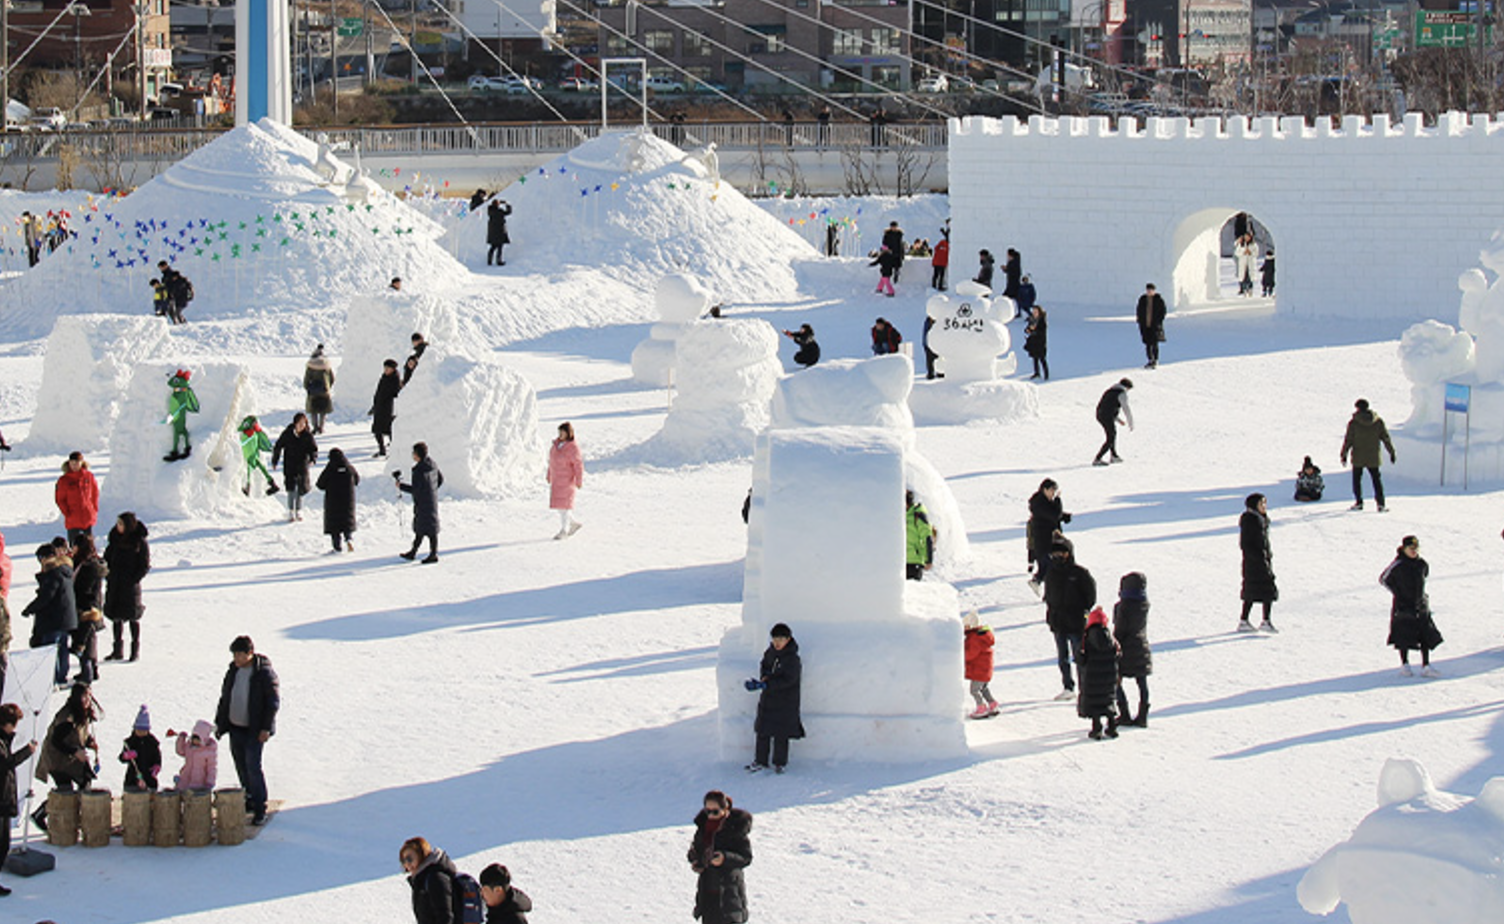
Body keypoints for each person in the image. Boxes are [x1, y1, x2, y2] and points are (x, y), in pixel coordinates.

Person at [214, 635, 279, 824]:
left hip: (255, 730)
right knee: (241, 766)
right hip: (235, 727)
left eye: (240, 655)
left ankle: (260, 807)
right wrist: (220, 723)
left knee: (253, 767)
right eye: (235, 655)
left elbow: (272, 703)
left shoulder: (263, 673)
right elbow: (225, 698)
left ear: (250, 653)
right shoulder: (233, 671)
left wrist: (266, 727)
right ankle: (248, 799)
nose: (237, 659)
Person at [1381, 535, 1443, 677]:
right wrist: (1398, 593)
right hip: (1403, 606)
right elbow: (1384, 579)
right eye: (1411, 548)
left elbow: (1424, 576)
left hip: (1420, 605)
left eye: (1416, 548)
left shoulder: (1422, 564)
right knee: (1403, 635)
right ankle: (1405, 665)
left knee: (1425, 635)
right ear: (1404, 548)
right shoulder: (1398, 564)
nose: (1414, 551)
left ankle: (1426, 665)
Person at [1044, 535, 1095, 701]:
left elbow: (1090, 595)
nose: (1058, 557)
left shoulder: (1079, 573)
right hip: (1058, 621)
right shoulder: (1051, 573)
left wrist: (1083, 611)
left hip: (1076, 622)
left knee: (1080, 656)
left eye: (1061, 553)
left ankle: (1084, 687)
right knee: (1062, 658)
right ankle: (1068, 686)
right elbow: (1049, 596)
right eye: (1054, 554)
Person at [689, 791, 752, 924]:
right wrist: (697, 859)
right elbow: (695, 850)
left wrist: (725, 858)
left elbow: (746, 857)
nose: (711, 815)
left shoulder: (735, 828)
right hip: (708, 892)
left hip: (730, 892)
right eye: (708, 811)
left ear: (725, 809)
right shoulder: (703, 828)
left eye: (715, 812)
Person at [747, 623, 803, 773]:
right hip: (768, 699)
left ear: (788, 639)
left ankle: (780, 763)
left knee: (781, 733)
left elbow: (789, 680)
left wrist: (768, 684)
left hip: (786, 701)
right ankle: (760, 760)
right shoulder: (769, 653)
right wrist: (762, 681)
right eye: (775, 639)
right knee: (763, 731)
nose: (777, 643)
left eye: (781, 639)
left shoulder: (793, 659)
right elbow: (765, 667)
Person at [21, 544, 77, 686]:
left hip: (54, 619)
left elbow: (46, 596)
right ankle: (61, 676)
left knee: (50, 650)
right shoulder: (65, 571)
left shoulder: (53, 574)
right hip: (66, 619)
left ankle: (53, 678)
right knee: (62, 648)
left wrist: (30, 609)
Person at [0, 702, 38, 896]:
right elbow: (6, 764)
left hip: (4, 798)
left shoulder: (4, 740)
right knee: (1, 843)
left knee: (4, 843)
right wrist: (26, 752)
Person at [102, 512, 150, 662]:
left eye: (121, 524)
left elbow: (144, 565)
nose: (118, 527)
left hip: (130, 585)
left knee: (132, 617)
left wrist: (133, 579)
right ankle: (117, 650)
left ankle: (134, 650)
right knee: (116, 617)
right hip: (115, 583)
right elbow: (107, 559)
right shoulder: (114, 540)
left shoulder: (139, 542)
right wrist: (108, 574)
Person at [35, 683, 98, 794]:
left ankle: (83, 805)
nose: (88, 699)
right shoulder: (67, 718)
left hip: (70, 757)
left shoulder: (82, 713)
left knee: (86, 779)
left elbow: (79, 733)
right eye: (85, 696)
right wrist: (75, 752)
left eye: (89, 696)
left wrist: (89, 741)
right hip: (57, 758)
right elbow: (56, 741)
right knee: (65, 792)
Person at [1341, 398, 1396, 512]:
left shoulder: (1354, 423)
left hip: (1358, 456)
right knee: (1376, 480)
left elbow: (1348, 440)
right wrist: (1391, 452)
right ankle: (1381, 504)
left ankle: (1359, 502)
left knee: (1357, 480)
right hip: (1373, 456)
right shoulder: (1378, 421)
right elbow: (1386, 438)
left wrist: (1344, 454)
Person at [1112, 572, 1151, 728]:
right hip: (1141, 645)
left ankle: (1124, 712)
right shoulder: (1144, 604)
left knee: (1116, 680)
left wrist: (1114, 644)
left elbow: (1120, 629)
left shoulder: (1123, 606)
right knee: (1142, 682)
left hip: (1125, 647)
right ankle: (1143, 715)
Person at [397, 442, 443, 563]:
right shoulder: (432, 464)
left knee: (423, 527)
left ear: (417, 455)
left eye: (413, 453)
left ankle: (431, 554)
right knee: (427, 527)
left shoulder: (418, 470)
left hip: (422, 502)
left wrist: (401, 486)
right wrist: (432, 490)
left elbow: (416, 489)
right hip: (431, 500)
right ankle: (415, 551)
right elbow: (440, 479)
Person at [1238, 493, 1278, 633]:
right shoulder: (1251, 521)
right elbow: (1247, 544)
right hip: (1255, 562)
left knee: (1261, 590)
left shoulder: (1260, 520)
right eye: (1261, 504)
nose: (1264, 507)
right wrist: (1259, 558)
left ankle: (1263, 620)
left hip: (1260, 560)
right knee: (1260, 589)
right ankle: (1249, 620)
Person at [1079, 607, 1120, 740]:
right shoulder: (1110, 638)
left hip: (1092, 678)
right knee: (1108, 700)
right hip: (1109, 678)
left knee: (1094, 702)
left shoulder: (1088, 638)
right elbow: (1118, 654)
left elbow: (1082, 659)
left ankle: (1097, 729)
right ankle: (1112, 727)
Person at [401, 836, 460, 924]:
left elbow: (445, 915)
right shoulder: (422, 880)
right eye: (403, 861)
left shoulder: (435, 877)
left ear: (421, 853)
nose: (407, 864)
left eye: (409, 859)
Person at [272, 413, 319, 523]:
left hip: (302, 465)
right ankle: (290, 510)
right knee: (291, 488)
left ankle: (298, 510)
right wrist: (275, 460)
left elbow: (313, 449)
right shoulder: (288, 434)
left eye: (304, 424)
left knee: (300, 488)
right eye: (300, 423)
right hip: (290, 464)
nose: (302, 426)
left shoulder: (307, 436)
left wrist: (312, 459)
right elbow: (278, 446)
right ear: (295, 423)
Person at [69, 534, 104, 685]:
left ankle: (87, 671)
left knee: (83, 640)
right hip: (93, 604)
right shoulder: (93, 562)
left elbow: (83, 588)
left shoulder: (87, 566)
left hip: (86, 606)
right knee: (91, 638)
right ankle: (92, 669)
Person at [1026, 478, 1070, 596]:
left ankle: (1042, 587)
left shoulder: (1043, 502)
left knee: (1048, 567)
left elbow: (1052, 514)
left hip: (1048, 540)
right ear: (1044, 490)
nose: (1053, 493)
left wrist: (1063, 516)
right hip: (1043, 541)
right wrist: (1058, 501)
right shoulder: (1039, 503)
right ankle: (1040, 584)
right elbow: (1053, 515)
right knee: (1050, 567)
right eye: (1051, 490)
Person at [316, 448, 361, 553]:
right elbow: (357, 480)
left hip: (333, 502)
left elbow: (320, 484)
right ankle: (349, 538)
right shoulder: (350, 468)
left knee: (334, 526)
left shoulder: (330, 469)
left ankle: (337, 548)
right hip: (348, 501)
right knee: (347, 522)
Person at [547, 423, 585, 540]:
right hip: (557, 480)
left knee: (565, 506)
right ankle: (573, 523)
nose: (560, 435)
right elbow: (551, 462)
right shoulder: (556, 445)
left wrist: (578, 480)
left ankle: (564, 530)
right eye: (559, 432)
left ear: (568, 433)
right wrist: (549, 475)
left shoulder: (573, 448)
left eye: (563, 432)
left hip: (567, 481)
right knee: (560, 506)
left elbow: (578, 465)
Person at [55, 451, 100, 546]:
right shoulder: (64, 480)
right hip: (73, 519)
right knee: (75, 546)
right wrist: (67, 513)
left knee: (89, 546)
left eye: (77, 463)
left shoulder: (88, 476)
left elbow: (95, 493)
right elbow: (60, 499)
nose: (74, 466)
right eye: (72, 463)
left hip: (87, 517)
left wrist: (94, 509)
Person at [963, 610, 999, 719]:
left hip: (979, 671)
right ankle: (993, 704)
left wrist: (961, 656)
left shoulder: (974, 638)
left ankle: (981, 707)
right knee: (984, 688)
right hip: (985, 670)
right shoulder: (981, 636)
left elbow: (970, 654)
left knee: (974, 690)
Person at [1091, 378, 1134, 466]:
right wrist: (1131, 422)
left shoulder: (1109, 391)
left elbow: (1108, 406)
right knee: (1111, 437)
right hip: (1107, 417)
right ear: (1127, 387)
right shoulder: (1122, 393)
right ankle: (1098, 459)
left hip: (1100, 415)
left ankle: (1114, 456)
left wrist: (1118, 420)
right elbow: (1126, 408)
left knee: (1112, 435)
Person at [119, 705, 162, 791]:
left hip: (148, 777)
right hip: (132, 778)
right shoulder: (130, 742)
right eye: (139, 730)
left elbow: (157, 757)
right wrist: (126, 756)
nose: (141, 733)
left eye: (143, 731)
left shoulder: (152, 743)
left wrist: (156, 767)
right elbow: (121, 758)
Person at [172, 719, 218, 790]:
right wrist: (181, 739)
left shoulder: (208, 751)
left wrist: (210, 782)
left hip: (199, 782)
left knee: (194, 798)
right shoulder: (189, 747)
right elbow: (180, 751)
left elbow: (211, 768)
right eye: (194, 738)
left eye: (198, 739)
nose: (195, 741)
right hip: (185, 779)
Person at [370, 358, 403, 457]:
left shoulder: (395, 380)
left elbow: (396, 394)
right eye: (385, 368)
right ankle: (381, 449)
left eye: (388, 368)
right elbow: (379, 392)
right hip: (380, 407)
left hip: (389, 409)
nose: (386, 370)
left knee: (389, 431)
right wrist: (374, 406)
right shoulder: (384, 377)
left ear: (393, 369)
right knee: (377, 430)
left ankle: (394, 451)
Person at [303, 345, 335, 435]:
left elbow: (306, 380)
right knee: (323, 411)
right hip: (324, 391)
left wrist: (308, 388)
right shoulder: (326, 365)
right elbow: (332, 378)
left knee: (313, 411)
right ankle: (321, 427)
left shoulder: (310, 366)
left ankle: (315, 427)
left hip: (313, 392)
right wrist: (328, 387)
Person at [906, 490, 936, 581]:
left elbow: (927, 537)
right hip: (899, 562)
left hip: (914, 562)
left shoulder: (918, 515)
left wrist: (929, 559)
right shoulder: (898, 515)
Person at [1136, 283, 1167, 369]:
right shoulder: (1142, 299)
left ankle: (1155, 360)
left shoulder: (1159, 300)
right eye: (1148, 290)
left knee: (1155, 343)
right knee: (1148, 344)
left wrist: (1158, 321)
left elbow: (1163, 311)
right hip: (1145, 326)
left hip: (1155, 326)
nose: (1149, 292)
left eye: (1151, 290)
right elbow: (1139, 310)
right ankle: (1150, 359)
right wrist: (1140, 321)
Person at [1024, 305, 1049, 380]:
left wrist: (1034, 330)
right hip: (1033, 342)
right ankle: (1036, 373)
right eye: (1033, 311)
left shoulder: (1042, 321)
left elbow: (1041, 331)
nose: (1034, 313)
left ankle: (1046, 374)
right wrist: (1029, 330)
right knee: (1035, 358)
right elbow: (1027, 329)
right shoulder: (1031, 320)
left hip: (1040, 342)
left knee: (1042, 359)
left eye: (1036, 312)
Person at [487, 199, 513, 266]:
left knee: (493, 246)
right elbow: (508, 212)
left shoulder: (490, 211)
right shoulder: (499, 211)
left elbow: (490, 207)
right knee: (500, 247)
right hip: (499, 231)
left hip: (492, 232)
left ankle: (489, 260)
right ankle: (499, 261)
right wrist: (507, 204)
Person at [922, 315, 940, 380]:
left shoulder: (931, 322)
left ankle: (939, 372)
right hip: (928, 345)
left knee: (936, 359)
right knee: (930, 360)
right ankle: (931, 374)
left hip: (934, 344)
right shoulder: (928, 323)